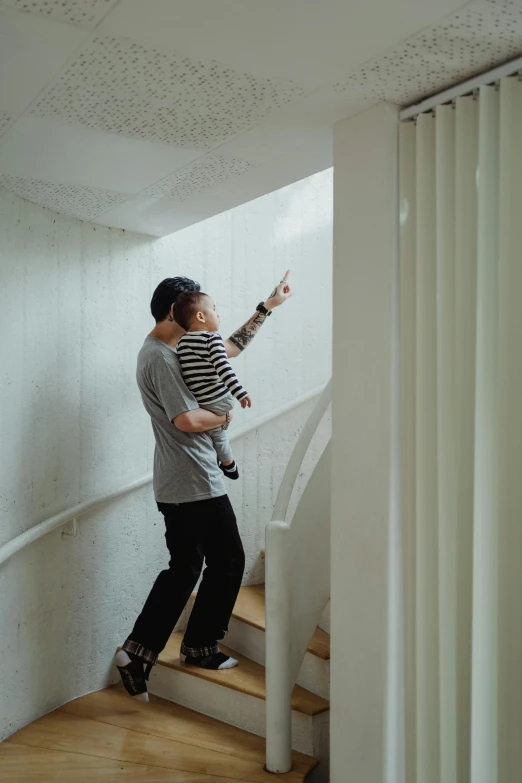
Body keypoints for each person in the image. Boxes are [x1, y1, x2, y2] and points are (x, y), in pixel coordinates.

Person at [115, 272, 293, 701]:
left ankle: (139, 651)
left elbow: (224, 351)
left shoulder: (173, 348)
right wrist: (225, 417)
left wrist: (265, 308)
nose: (208, 313)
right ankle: (199, 646)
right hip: (193, 479)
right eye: (201, 306)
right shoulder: (158, 357)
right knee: (229, 559)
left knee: (185, 568)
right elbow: (187, 420)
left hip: (180, 480)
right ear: (181, 309)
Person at [175, 291, 252, 481]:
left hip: (199, 402)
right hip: (220, 399)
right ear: (200, 316)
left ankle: (226, 463)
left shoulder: (181, 343)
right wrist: (239, 393)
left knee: (214, 434)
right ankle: (228, 465)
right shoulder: (212, 339)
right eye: (214, 310)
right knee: (219, 434)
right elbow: (223, 368)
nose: (218, 315)